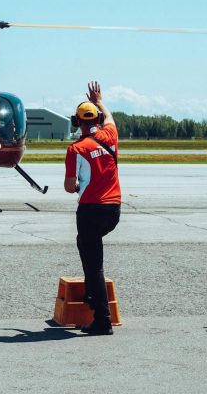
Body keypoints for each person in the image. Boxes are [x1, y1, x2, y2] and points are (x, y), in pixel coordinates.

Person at [63, 81, 121, 335]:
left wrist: (78, 186)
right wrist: (100, 100)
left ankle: (102, 320)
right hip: (113, 210)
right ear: (96, 118)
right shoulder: (110, 136)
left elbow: (68, 186)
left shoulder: (76, 149)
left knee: (93, 264)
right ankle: (91, 294)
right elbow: (109, 116)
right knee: (84, 245)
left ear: (77, 123)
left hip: (90, 210)